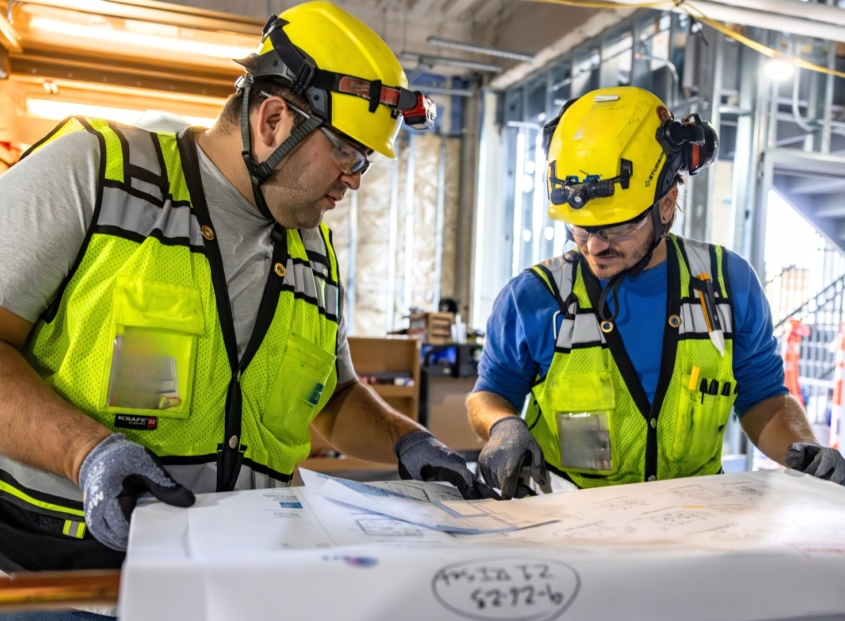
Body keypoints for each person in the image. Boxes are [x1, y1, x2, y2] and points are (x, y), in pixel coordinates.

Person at [0, 0, 487, 591]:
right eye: (349, 152)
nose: (356, 178)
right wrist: (86, 453)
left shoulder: (315, 253)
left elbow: (331, 398)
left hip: (239, 581)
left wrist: (410, 441)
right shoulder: (98, 175)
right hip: (62, 582)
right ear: (274, 119)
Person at [468, 86, 845, 499]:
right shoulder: (533, 298)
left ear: (666, 205)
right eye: (580, 227)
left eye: (618, 227)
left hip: (694, 525)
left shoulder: (726, 285)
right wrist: (503, 425)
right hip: (567, 524)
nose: (595, 246)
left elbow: (764, 400)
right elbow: (489, 394)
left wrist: (803, 449)